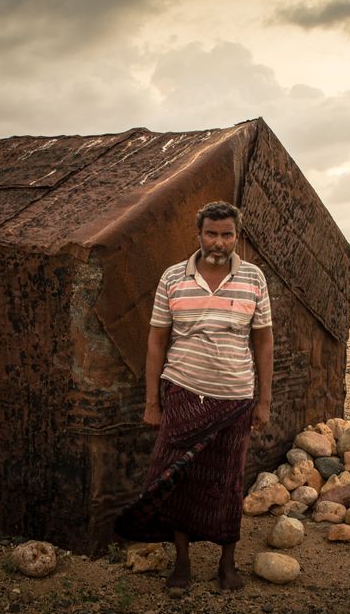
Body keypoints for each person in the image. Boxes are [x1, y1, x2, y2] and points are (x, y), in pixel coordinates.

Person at [114, 201, 273, 591]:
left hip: (235, 398)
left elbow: (264, 341)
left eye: (227, 234)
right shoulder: (173, 278)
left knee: (229, 481)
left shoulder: (254, 279)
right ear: (198, 234)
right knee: (177, 479)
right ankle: (182, 563)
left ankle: (227, 564)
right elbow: (156, 340)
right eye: (211, 234)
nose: (219, 242)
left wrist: (264, 400)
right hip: (182, 391)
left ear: (237, 236)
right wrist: (153, 401)